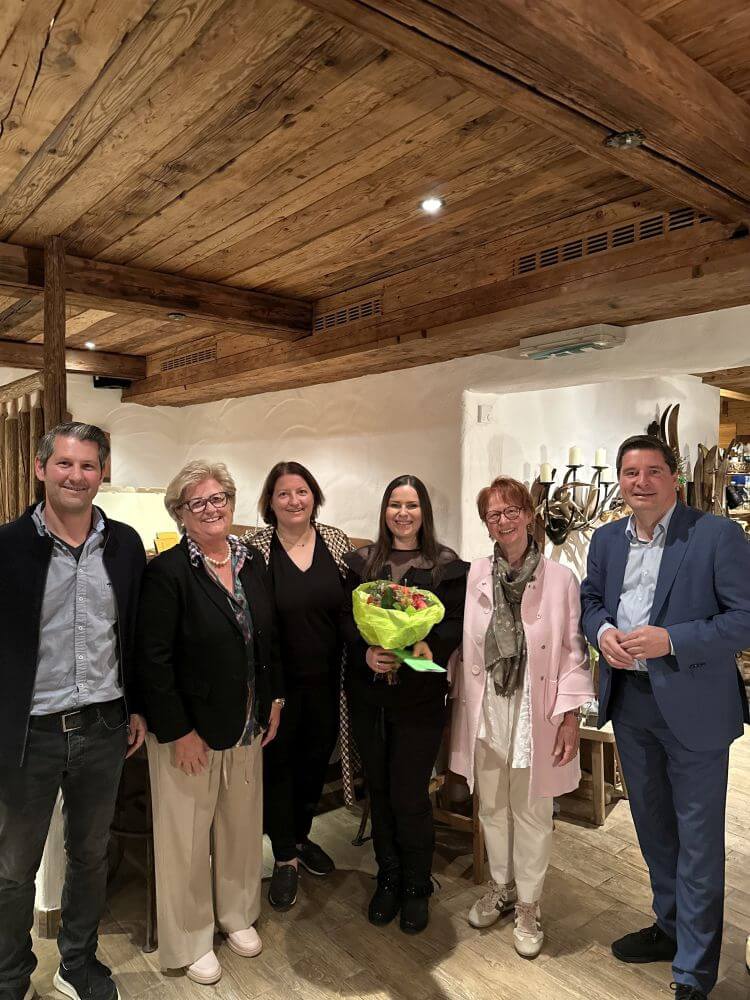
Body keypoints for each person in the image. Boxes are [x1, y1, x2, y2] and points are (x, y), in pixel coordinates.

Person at [581, 434, 750, 1000]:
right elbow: (590, 601)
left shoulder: (716, 535)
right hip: (630, 703)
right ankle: (671, 926)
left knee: (698, 840)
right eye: (631, 472)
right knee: (653, 828)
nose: (642, 482)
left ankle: (695, 971)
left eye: (654, 471)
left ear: (673, 477)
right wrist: (603, 632)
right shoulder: (606, 539)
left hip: (694, 706)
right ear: (621, 482)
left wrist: (671, 640)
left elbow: (745, 619)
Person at [0, 422, 147, 1000]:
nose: (76, 476)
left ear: (102, 473)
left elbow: (134, 633)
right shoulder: (8, 546)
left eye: (88, 465)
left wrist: (137, 706)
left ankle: (78, 963)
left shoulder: (126, 545)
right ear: (42, 469)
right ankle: (10, 975)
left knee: (89, 855)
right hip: (28, 733)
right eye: (64, 463)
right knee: (14, 866)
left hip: (104, 726)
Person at [136, 461, 283, 985]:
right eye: (197, 502)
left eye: (218, 498)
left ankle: (237, 914)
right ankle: (190, 936)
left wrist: (275, 699)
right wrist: (179, 732)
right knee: (187, 838)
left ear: (232, 501)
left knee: (242, 826)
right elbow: (153, 660)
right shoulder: (168, 573)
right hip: (190, 731)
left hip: (246, 721)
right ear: (180, 513)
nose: (211, 509)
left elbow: (268, 636)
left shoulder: (251, 561)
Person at [450, 476, 593, 958]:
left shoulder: (560, 579)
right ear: (486, 523)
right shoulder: (475, 574)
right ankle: (501, 886)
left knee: (531, 810)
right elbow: (462, 642)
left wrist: (571, 718)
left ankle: (529, 904)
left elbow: (574, 651)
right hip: (487, 706)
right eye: (494, 514)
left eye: (513, 511)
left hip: (537, 710)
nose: (504, 521)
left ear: (529, 516)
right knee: (491, 805)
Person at [343, 475, 467, 935]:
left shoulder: (446, 567)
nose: (403, 513)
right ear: (385, 511)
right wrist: (366, 651)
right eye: (395, 504)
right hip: (370, 697)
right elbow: (345, 618)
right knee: (378, 790)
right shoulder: (362, 563)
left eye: (412, 505)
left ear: (424, 512)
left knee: (409, 794)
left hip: (419, 700)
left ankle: (417, 883)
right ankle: (388, 876)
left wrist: (429, 645)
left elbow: (455, 623)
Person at [245, 461, 351, 912]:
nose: (294, 501)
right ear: (270, 502)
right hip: (277, 686)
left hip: (328, 680)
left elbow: (351, 607)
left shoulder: (336, 541)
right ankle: (285, 855)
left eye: (302, 491)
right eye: (284, 493)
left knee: (313, 763)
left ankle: (302, 836)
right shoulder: (255, 548)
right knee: (278, 768)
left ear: (314, 496)